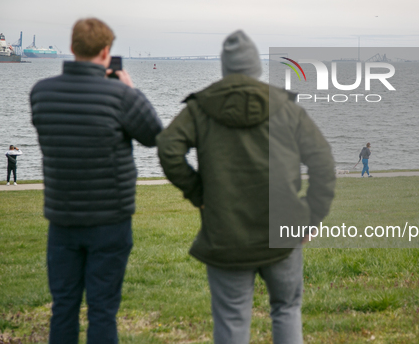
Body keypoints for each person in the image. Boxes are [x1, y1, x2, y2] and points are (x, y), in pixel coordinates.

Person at [157, 30, 335, 344]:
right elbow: (322, 161)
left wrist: (199, 194)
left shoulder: (200, 108)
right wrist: (311, 216)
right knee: (287, 309)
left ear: (225, 68)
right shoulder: (285, 106)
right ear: (256, 68)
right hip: (283, 232)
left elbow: (168, 147)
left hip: (226, 236)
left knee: (232, 319)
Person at [30, 18, 163, 344]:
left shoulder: (41, 94)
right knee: (102, 310)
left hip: (62, 219)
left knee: (64, 307)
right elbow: (154, 135)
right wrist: (130, 88)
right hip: (110, 220)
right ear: (106, 52)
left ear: (73, 48)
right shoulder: (120, 96)